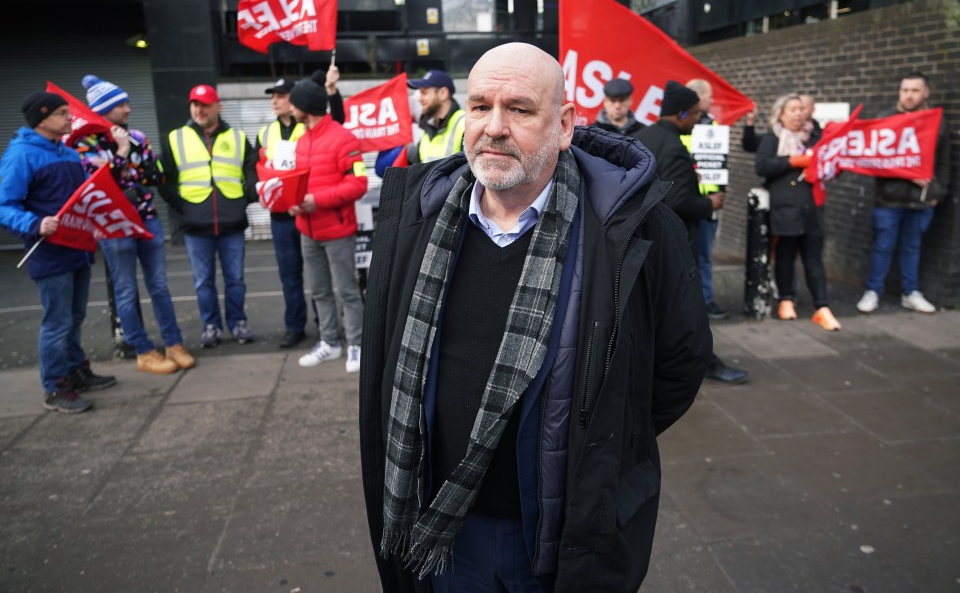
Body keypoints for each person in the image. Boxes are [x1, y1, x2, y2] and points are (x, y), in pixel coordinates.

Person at [359, 43, 711, 592]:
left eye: (519, 110)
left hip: (562, 534)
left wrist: (600, 440)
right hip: (441, 531)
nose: (493, 127)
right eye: (479, 107)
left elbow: (678, 366)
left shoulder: (635, 228)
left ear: (565, 124)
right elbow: (384, 360)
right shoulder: (415, 216)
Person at [0, 91, 116, 413]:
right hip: (49, 251)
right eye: (63, 113)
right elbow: (3, 205)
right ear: (43, 118)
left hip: (77, 248)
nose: (69, 118)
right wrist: (35, 224)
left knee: (74, 317)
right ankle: (54, 387)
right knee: (57, 322)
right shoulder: (21, 154)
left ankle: (75, 370)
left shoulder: (66, 153)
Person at [75, 75, 195, 375]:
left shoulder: (138, 137)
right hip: (113, 225)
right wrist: (121, 154)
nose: (128, 109)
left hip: (146, 218)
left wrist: (137, 161)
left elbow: (152, 176)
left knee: (160, 286)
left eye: (127, 103)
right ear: (104, 110)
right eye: (121, 105)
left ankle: (174, 343)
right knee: (126, 291)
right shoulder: (84, 144)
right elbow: (99, 184)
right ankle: (143, 350)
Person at [636, 81, 749, 383]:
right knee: (689, 310)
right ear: (681, 113)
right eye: (696, 114)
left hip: (643, 241)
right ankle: (705, 363)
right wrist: (708, 203)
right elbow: (677, 201)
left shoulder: (641, 136)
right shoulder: (674, 147)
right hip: (676, 244)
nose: (699, 119)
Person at [159, 84, 258, 348]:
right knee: (203, 282)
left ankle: (238, 323)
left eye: (204, 104)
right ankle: (210, 326)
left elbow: (251, 173)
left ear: (218, 106)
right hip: (195, 223)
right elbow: (163, 179)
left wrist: (242, 201)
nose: (199, 110)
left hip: (232, 222)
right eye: (194, 105)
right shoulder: (176, 137)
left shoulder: (237, 137)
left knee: (235, 279)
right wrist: (183, 207)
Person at [255, 68, 346, 349]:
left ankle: (325, 328)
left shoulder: (308, 123)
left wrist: (332, 90)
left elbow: (338, 122)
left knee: (321, 278)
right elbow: (255, 169)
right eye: (274, 96)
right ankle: (294, 327)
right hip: (281, 216)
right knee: (289, 274)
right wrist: (259, 193)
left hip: (310, 213)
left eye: (282, 96)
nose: (276, 101)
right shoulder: (265, 131)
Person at [285, 70, 367, 374]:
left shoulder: (344, 139)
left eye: (293, 103)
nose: (289, 108)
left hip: (335, 229)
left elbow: (358, 184)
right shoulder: (300, 139)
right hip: (307, 228)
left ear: (305, 106)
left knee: (347, 290)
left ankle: (356, 344)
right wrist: (293, 203)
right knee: (318, 290)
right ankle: (330, 342)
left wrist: (316, 201)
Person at [857, 72, 950, 314]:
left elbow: (943, 162)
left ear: (925, 93)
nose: (909, 95)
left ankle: (911, 292)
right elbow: (875, 160)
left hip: (921, 201)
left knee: (912, 247)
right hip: (888, 199)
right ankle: (872, 291)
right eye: (905, 90)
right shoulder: (886, 119)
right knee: (883, 246)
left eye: (915, 90)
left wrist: (936, 192)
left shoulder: (937, 121)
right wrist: (908, 174)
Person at [755, 93, 841, 331]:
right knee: (786, 256)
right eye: (793, 109)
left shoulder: (816, 136)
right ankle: (786, 300)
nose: (798, 113)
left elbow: (831, 162)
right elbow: (762, 167)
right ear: (781, 113)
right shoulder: (772, 138)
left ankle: (821, 306)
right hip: (785, 207)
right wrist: (794, 161)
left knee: (813, 258)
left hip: (812, 207)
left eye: (801, 109)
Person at [682, 78, 728, 320]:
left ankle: (706, 299)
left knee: (706, 254)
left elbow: (720, 162)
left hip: (710, 200)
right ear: (699, 98)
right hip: (690, 201)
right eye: (709, 96)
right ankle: (692, 302)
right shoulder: (682, 127)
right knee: (689, 255)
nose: (711, 101)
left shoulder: (715, 126)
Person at [407, 69, 465, 163]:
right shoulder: (429, 127)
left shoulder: (464, 124)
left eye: (424, 93)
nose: (420, 99)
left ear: (443, 93)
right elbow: (417, 166)